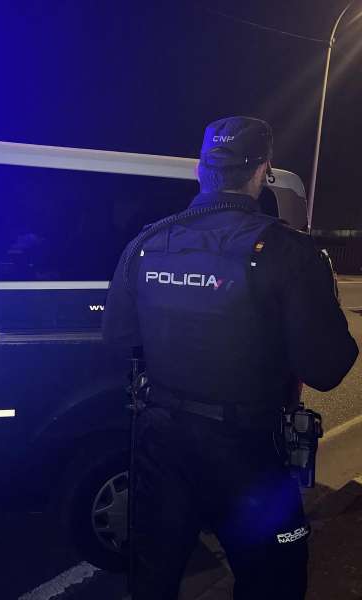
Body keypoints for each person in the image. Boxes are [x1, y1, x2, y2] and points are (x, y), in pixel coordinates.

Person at [103, 116, 358, 600]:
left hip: (161, 445)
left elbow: (117, 340)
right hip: (248, 454)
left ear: (200, 169)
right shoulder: (288, 250)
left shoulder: (147, 242)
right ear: (263, 171)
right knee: (274, 580)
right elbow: (328, 367)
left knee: (152, 582)